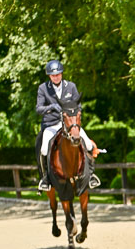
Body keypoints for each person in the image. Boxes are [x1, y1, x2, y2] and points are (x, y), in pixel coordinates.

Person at [36, 59, 101, 192]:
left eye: (58, 74)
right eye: (53, 75)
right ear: (49, 76)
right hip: (52, 124)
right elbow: (38, 108)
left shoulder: (71, 86)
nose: (56, 77)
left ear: (61, 74)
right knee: (43, 149)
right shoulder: (43, 88)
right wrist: (51, 107)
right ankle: (45, 178)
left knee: (88, 144)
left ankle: (91, 176)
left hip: (70, 123)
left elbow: (79, 105)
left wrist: (73, 113)